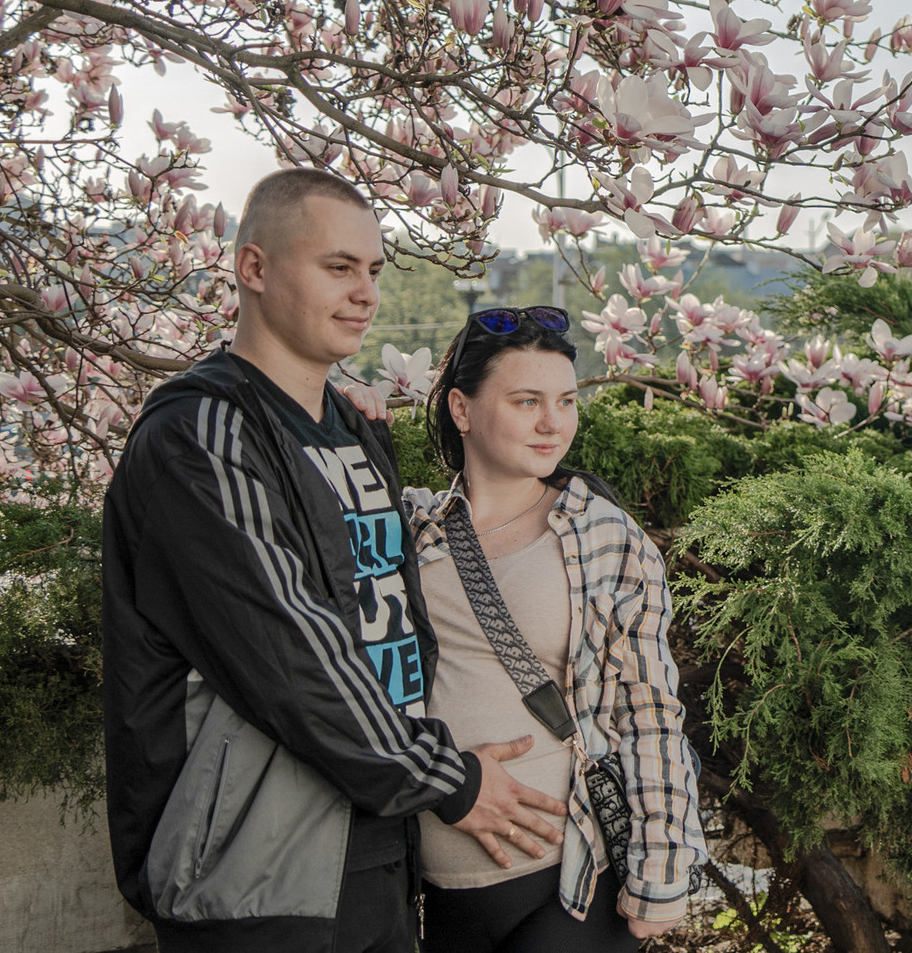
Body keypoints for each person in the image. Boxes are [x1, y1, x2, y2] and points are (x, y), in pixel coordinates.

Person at [102, 167, 569, 952]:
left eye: (375, 271)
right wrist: (448, 779)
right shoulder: (203, 436)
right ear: (254, 268)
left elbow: (393, 615)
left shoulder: (351, 431)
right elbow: (291, 652)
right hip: (259, 867)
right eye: (338, 267)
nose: (365, 293)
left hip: (380, 843)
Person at [404, 306, 709, 951]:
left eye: (566, 401)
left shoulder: (602, 535)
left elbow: (648, 708)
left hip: (567, 881)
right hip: (437, 887)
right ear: (462, 410)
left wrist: (661, 872)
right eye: (526, 401)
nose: (553, 423)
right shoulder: (414, 530)